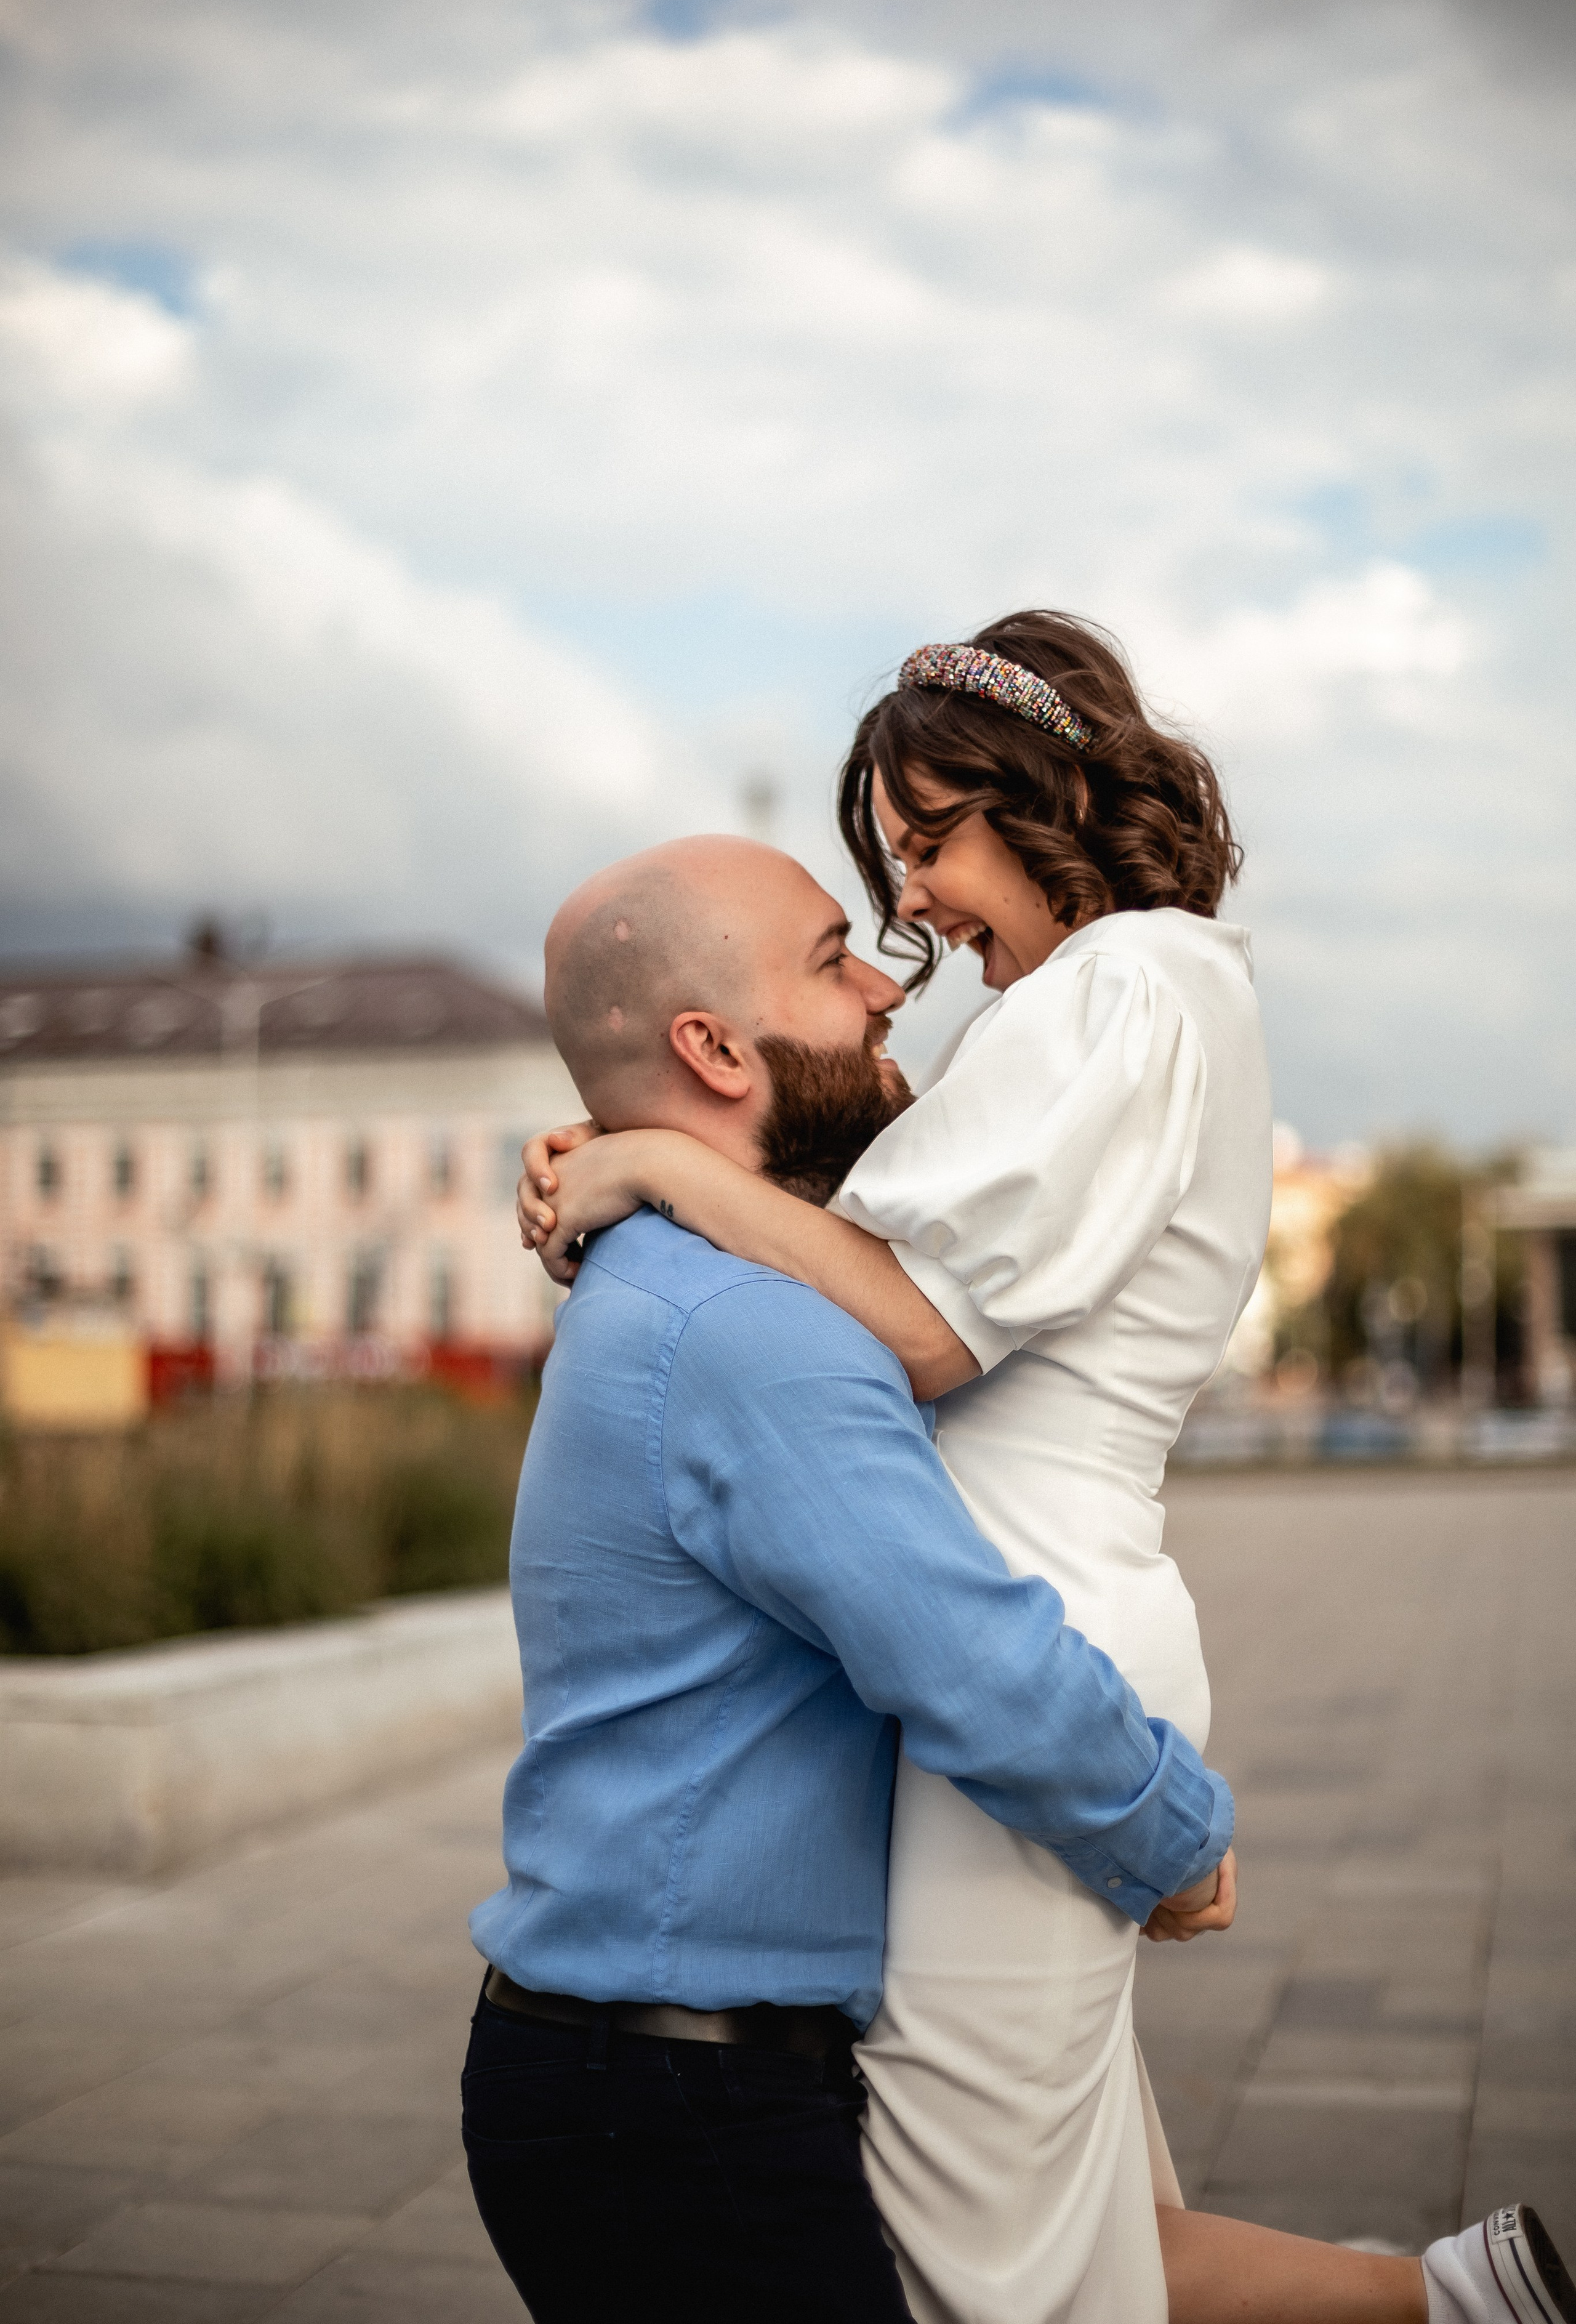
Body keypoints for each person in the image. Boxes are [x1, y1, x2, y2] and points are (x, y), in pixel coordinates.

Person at [519, 614, 1574, 2324]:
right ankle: (1464, 2302)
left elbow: (918, 1325)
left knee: (973, 2261)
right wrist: (643, 1140)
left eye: (929, 844)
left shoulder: (1122, 990)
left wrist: (660, 1164)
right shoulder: (1115, 1001)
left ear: (1050, 798)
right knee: (1075, 2225)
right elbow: (844, 1206)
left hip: (1026, 1635)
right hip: (1044, 1617)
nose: (913, 908)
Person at [464, 833, 1240, 2324]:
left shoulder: (674, 1275)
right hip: (676, 2107)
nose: (889, 989)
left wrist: (637, 1155)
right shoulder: (747, 1329)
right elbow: (967, 1660)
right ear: (712, 1048)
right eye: (832, 962)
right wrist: (1173, 1838)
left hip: (635, 2075)